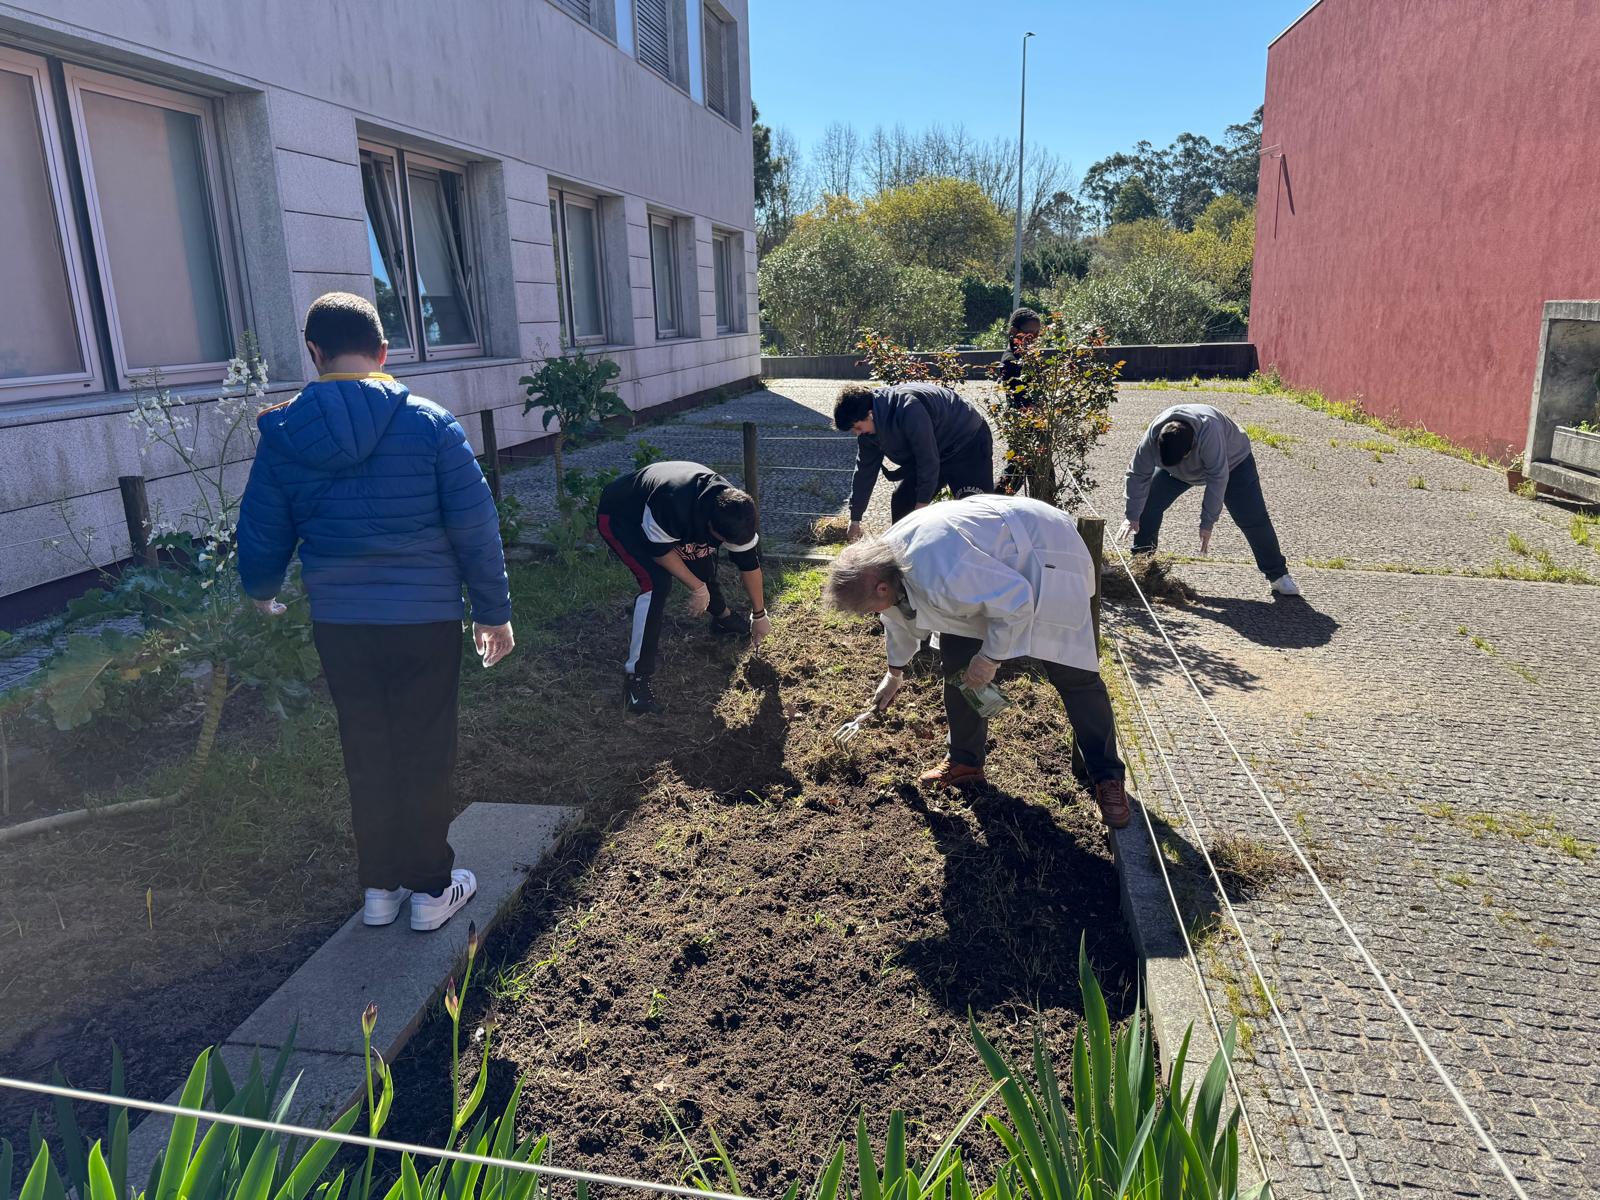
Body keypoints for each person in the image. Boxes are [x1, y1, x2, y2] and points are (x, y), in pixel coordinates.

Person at [237, 292, 512, 933]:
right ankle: (432, 890)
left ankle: (380, 890)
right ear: (384, 352)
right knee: (425, 749)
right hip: (424, 621)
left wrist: (261, 589)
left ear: (314, 352)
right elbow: (475, 527)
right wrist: (492, 612)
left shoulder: (284, 433)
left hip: (342, 625)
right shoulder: (432, 424)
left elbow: (263, 526)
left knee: (366, 748)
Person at [824, 494, 1132, 830]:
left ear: (882, 588)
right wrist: (894, 673)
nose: (869, 615)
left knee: (1074, 675)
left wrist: (989, 659)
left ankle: (1107, 777)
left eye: (867, 608)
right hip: (989, 564)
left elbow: (1016, 601)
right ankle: (965, 762)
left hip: (1046, 554)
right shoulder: (884, 564)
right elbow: (897, 616)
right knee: (958, 667)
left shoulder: (943, 574)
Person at [595, 461, 771, 714]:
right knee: (656, 583)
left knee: (699, 559)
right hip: (621, 515)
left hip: (668, 517)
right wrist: (698, 588)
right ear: (710, 525)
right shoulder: (673, 506)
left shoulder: (738, 512)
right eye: (722, 541)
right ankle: (637, 679)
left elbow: (749, 564)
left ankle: (722, 618)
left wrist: (760, 614)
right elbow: (660, 553)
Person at [1119, 403, 1302, 596]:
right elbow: (1137, 474)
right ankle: (1141, 565)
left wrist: (1207, 523)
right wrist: (1132, 515)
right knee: (1146, 504)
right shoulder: (1153, 436)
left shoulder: (1210, 432)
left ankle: (1278, 575)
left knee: (1253, 518)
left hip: (1233, 464)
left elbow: (1217, 478)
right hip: (1174, 472)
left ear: (1190, 450)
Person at [834, 381, 994, 541]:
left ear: (870, 414)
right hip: (935, 449)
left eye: (858, 428)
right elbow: (864, 473)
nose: (857, 433)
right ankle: (900, 553)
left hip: (967, 442)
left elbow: (927, 460)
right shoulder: (867, 434)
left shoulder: (909, 408)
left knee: (975, 510)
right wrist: (855, 520)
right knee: (903, 502)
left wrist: (922, 504)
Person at [995, 307, 1047, 497]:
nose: (1034, 338)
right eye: (1029, 333)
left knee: (1040, 477)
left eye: (1037, 334)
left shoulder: (1028, 357)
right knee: (1015, 475)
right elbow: (1020, 399)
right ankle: (992, 505)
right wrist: (1038, 418)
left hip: (1036, 424)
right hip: (1025, 426)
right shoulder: (1011, 360)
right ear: (1014, 332)